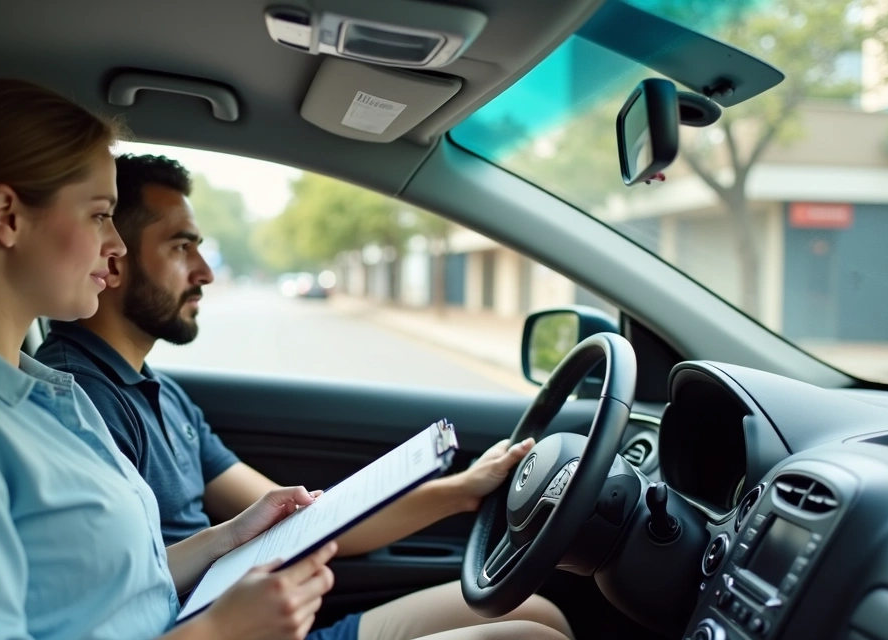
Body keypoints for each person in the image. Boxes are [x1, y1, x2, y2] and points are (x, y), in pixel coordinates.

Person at [0, 78, 351, 640]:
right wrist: (219, 632)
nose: (117, 245)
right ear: (7, 215)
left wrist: (235, 534)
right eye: (100, 214)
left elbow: (118, 590)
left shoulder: (39, 390)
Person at [34, 154, 575, 640]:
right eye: (181, 247)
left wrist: (461, 490)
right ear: (116, 259)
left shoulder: (163, 394)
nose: (203, 273)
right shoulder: (74, 400)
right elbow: (103, 601)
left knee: (536, 613)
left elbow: (300, 521)